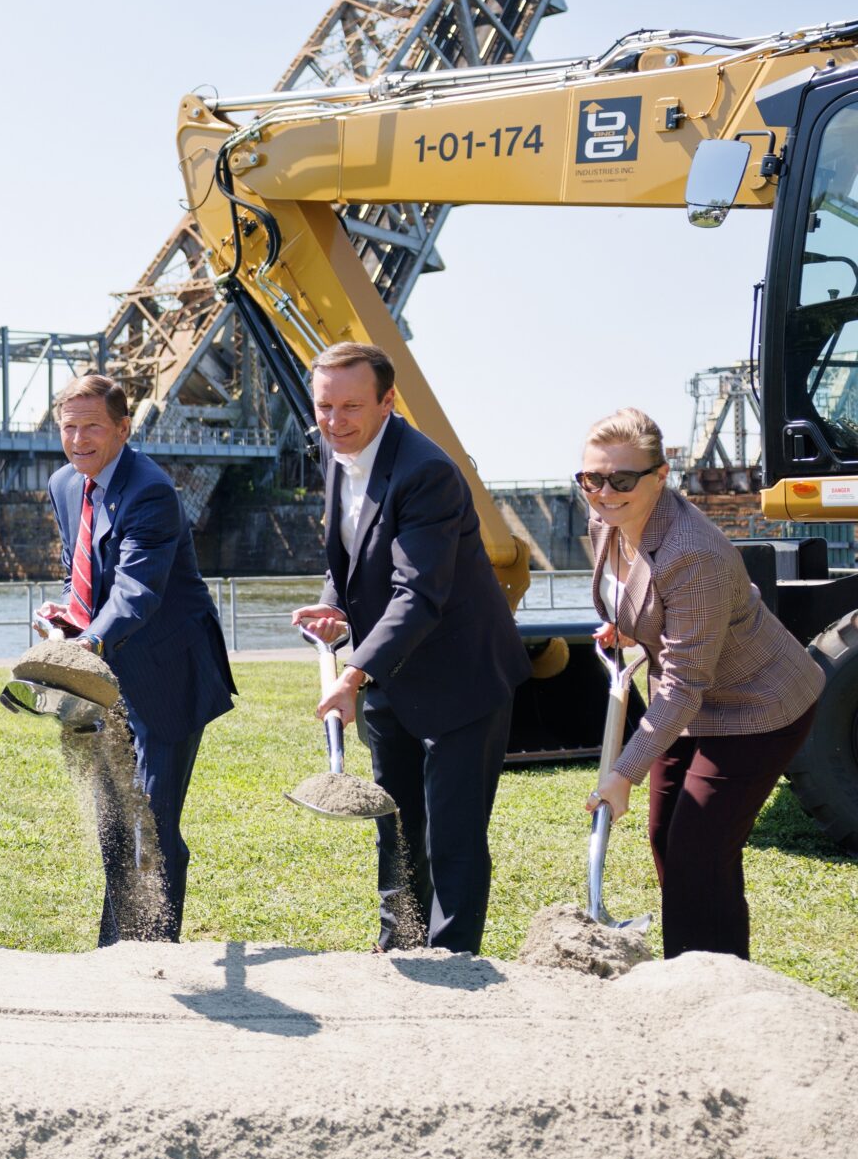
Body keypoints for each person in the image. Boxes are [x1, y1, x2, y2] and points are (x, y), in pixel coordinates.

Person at [291, 341, 529, 954]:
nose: (335, 421)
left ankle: (453, 962)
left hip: (460, 676)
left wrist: (353, 673)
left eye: (350, 407)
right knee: (393, 825)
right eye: (324, 407)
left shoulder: (427, 472)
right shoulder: (333, 450)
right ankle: (398, 945)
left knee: (451, 837)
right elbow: (351, 554)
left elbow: (418, 592)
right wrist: (336, 605)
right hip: (391, 674)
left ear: (388, 401)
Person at [579, 407, 819, 960]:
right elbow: (644, 598)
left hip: (759, 703)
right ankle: (687, 962)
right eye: (592, 478)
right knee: (667, 836)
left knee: (699, 846)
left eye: (622, 479)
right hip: (691, 698)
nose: (605, 491)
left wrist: (622, 773)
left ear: (660, 477)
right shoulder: (605, 522)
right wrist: (628, 626)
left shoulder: (694, 553)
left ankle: (719, 979)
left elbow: (684, 684)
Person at [40, 374, 235, 944]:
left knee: (151, 819)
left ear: (123, 428)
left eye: (92, 426)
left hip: (165, 671)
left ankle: (154, 944)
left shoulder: (151, 490)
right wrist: (70, 618)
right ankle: (116, 943)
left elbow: (136, 590)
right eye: (68, 427)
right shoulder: (65, 484)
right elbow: (93, 576)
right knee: (113, 819)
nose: (78, 439)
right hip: (103, 668)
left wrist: (90, 640)